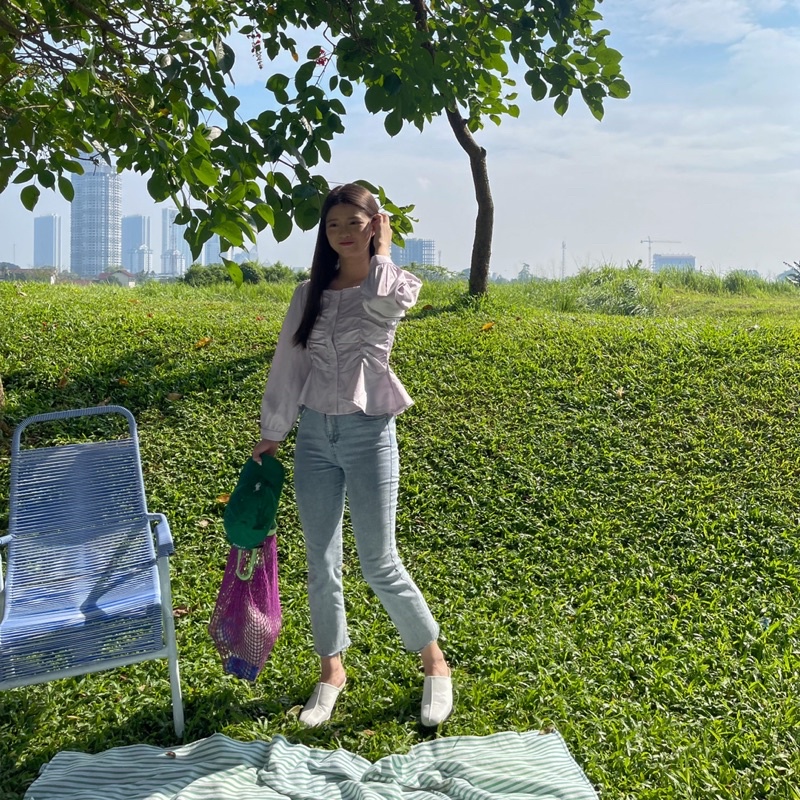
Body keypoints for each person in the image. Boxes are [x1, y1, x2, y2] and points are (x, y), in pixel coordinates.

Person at [252, 183, 452, 728]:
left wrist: (383, 251)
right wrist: (273, 431)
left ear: (375, 224)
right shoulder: (308, 294)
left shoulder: (392, 283)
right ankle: (331, 671)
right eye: (333, 224)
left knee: (379, 561)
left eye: (354, 223)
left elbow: (387, 303)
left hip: (369, 432)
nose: (342, 233)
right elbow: (289, 365)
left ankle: (435, 664)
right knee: (320, 561)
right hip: (315, 437)